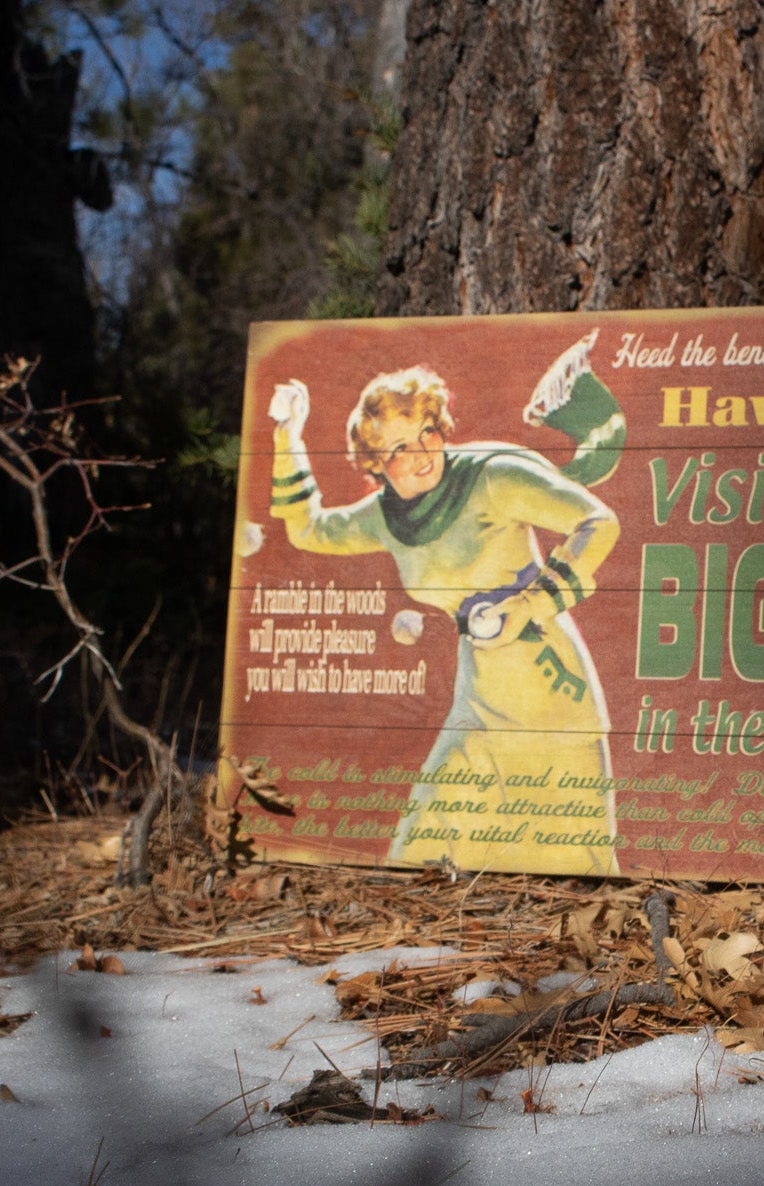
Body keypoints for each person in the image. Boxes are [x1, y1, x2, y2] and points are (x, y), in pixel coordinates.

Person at [263, 333, 625, 875]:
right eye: (398, 449)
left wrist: (530, 605)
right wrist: (286, 434)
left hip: (551, 689)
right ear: (375, 465)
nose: (420, 455)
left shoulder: (492, 475)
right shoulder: (386, 517)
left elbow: (599, 521)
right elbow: (309, 529)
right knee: (422, 846)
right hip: (478, 695)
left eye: (426, 432)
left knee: (576, 858)